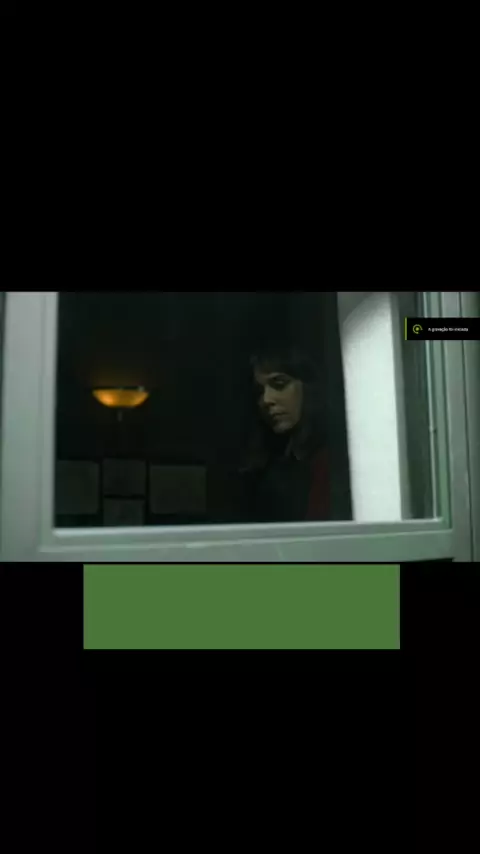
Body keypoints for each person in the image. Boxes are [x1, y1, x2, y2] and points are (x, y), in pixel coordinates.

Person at [239, 344, 332, 523]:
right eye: (259, 392)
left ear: (309, 387)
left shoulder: (333, 463)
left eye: (279, 384)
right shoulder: (266, 465)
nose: (266, 400)